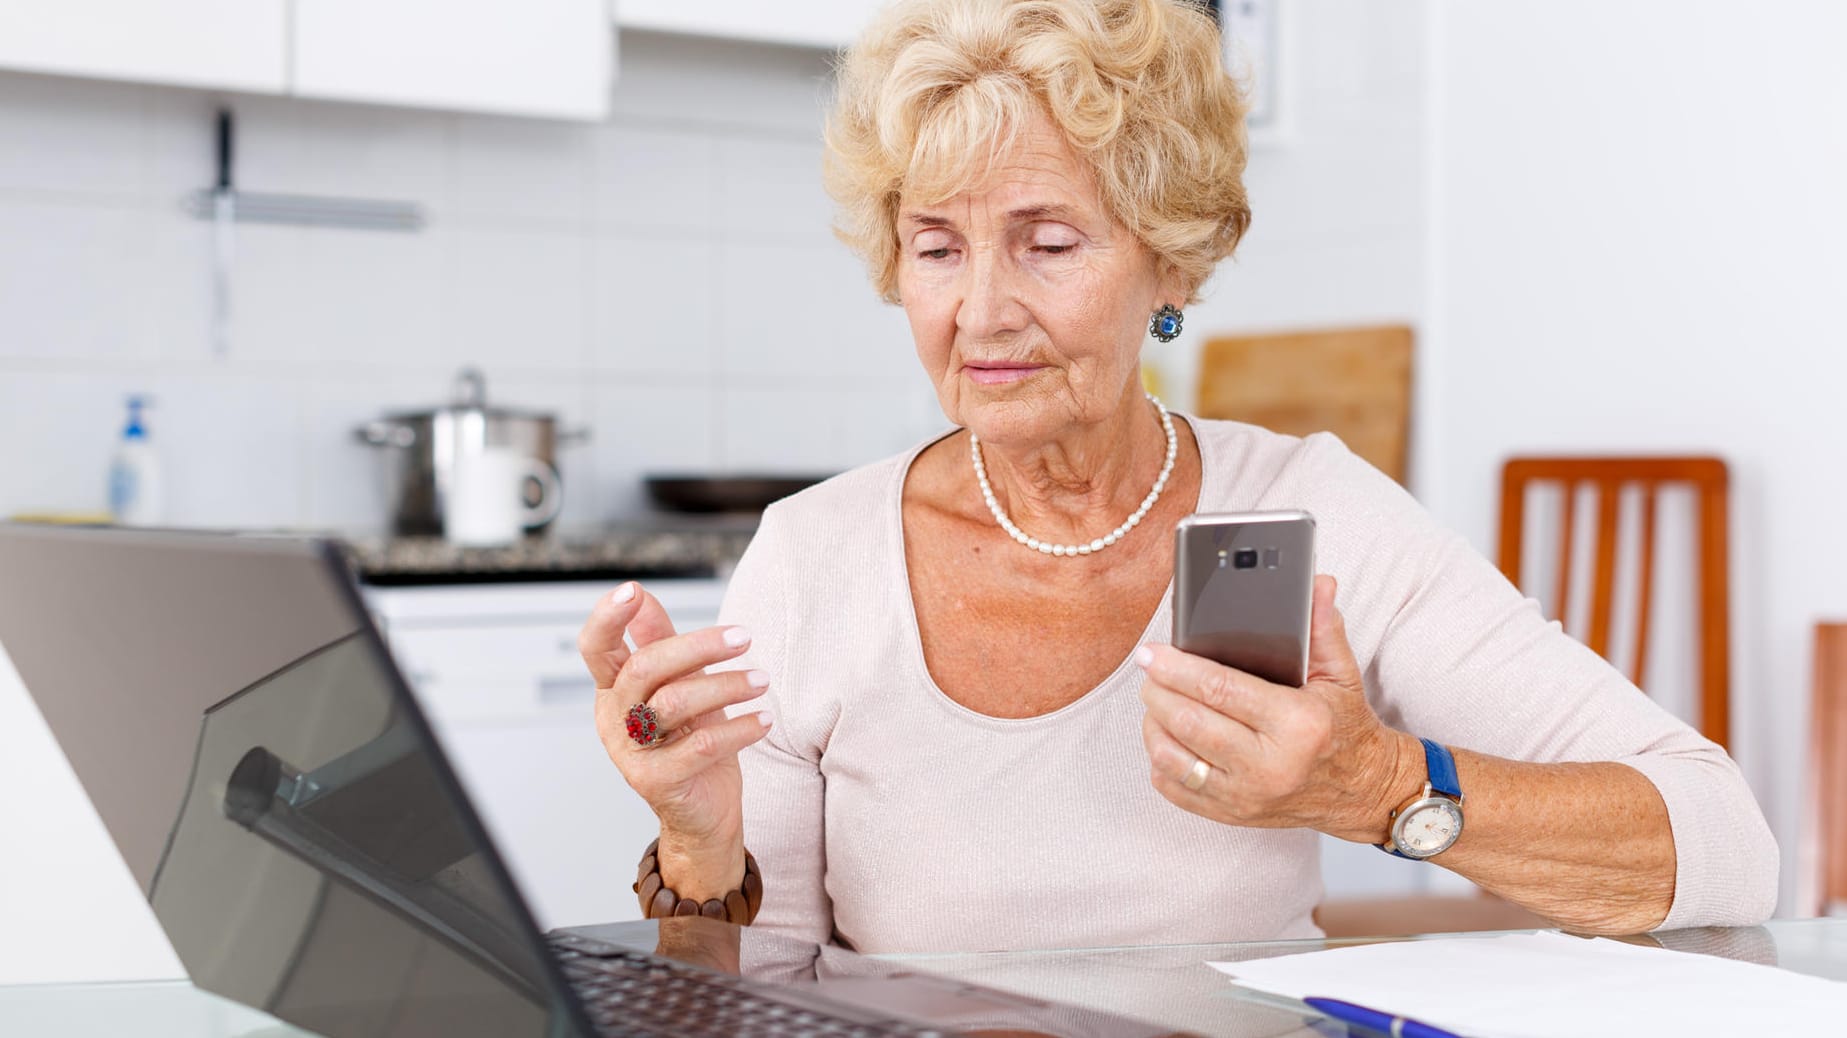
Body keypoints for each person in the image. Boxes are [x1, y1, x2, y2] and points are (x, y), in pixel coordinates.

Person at [579, 0, 1776, 954]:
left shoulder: (1307, 510)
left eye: (1047, 244)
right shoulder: (812, 555)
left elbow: (1722, 845)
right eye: (936, 247)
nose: (981, 311)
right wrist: (698, 845)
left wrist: (1373, 787)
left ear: (1172, 265)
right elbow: (756, 997)